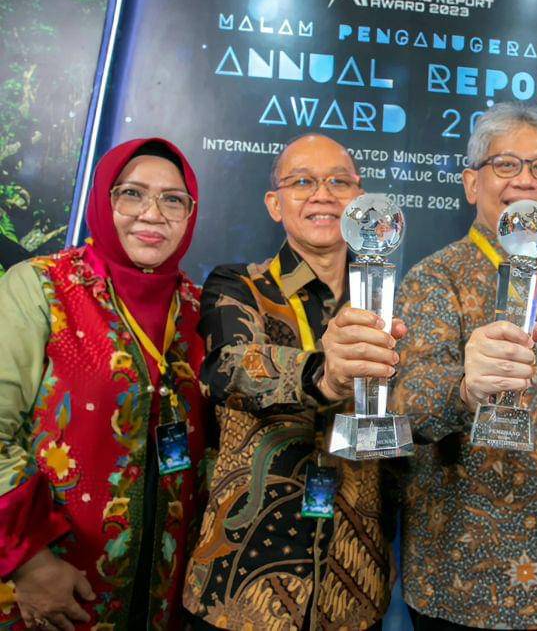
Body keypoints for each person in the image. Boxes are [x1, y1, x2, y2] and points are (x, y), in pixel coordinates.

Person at [391, 102, 537, 629]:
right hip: (474, 591)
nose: (526, 180)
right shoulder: (436, 278)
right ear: (472, 184)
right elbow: (406, 404)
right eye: (506, 164)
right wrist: (466, 389)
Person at [182, 134, 404, 630]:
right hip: (244, 583)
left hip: (355, 589)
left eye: (339, 182)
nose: (322, 194)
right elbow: (228, 367)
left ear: (359, 199)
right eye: (302, 182)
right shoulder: (239, 285)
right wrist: (322, 375)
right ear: (274, 203)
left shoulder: (385, 304)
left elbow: (406, 421)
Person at [0, 138, 207, 629]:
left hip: (164, 601)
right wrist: (29, 562)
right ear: (102, 199)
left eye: (173, 199)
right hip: (51, 590)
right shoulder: (43, 287)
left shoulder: (202, 309)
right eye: (131, 194)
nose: (152, 214)